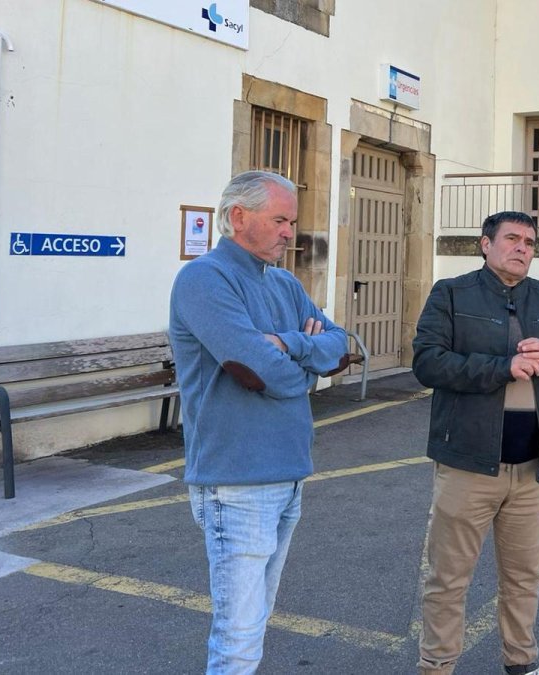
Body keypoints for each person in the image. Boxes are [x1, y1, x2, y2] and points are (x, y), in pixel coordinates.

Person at [169, 170, 352, 674]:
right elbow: (264, 372)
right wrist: (303, 367)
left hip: (288, 474)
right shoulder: (203, 279)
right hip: (238, 482)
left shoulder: (286, 283)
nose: (290, 233)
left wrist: (292, 344)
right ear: (237, 217)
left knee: (256, 621)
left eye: (292, 221)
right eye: (279, 220)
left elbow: (342, 345)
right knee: (239, 634)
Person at [412, 211, 539, 675]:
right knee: (448, 580)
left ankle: (522, 663)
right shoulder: (451, 293)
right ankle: (437, 666)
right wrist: (501, 367)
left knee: (523, 577)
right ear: (485, 244)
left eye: (530, 242)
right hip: (468, 464)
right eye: (511, 239)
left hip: (532, 466)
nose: (522, 248)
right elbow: (429, 363)